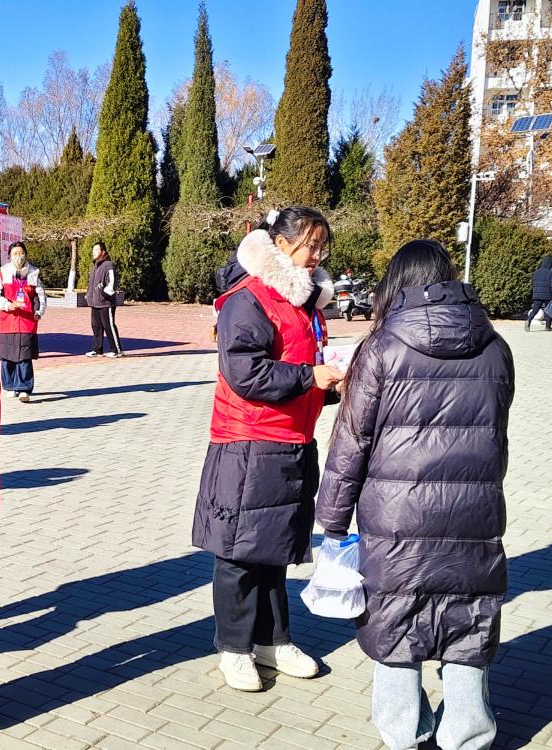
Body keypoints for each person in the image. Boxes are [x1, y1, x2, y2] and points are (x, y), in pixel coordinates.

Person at [316, 239, 514, 750]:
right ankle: (467, 735)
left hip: (396, 516)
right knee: (469, 617)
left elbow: (351, 442)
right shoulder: (495, 347)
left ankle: (403, 733)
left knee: (395, 620)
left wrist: (332, 520)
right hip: (474, 510)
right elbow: (497, 431)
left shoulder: (381, 348)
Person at [192, 206, 344, 692]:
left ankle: (273, 640)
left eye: (321, 248)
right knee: (239, 552)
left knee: (275, 549)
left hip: (293, 439)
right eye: (310, 245)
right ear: (280, 244)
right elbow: (245, 371)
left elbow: (302, 365)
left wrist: (329, 384)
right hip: (248, 441)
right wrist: (308, 378)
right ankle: (234, 648)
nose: (316, 256)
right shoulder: (249, 298)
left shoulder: (305, 303)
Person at [0, 241, 46, 402]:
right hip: (8, 321)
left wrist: (39, 311)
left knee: (24, 356)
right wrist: (7, 305)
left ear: (26, 254)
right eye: (15, 254)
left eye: (21, 253)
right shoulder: (3, 273)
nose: (18, 257)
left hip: (27, 321)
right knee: (7, 355)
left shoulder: (34, 273)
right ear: (9, 256)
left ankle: (24, 388)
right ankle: (10, 386)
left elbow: (41, 296)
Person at [85, 241, 123, 358]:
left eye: (96, 250)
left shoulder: (108, 265)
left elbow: (112, 282)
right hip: (95, 303)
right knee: (96, 326)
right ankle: (97, 350)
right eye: (93, 250)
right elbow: (92, 284)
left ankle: (116, 350)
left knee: (108, 326)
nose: (93, 252)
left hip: (106, 302)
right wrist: (89, 295)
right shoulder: (95, 266)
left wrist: (104, 294)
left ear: (103, 252)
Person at [526, 255, 552, 331]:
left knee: (535, 309)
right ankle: (548, 326)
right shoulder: (551, 273)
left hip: (537, 294)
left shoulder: (536, 272)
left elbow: (533, 283)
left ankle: (528, 320)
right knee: (549, 310)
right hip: (548, 295)